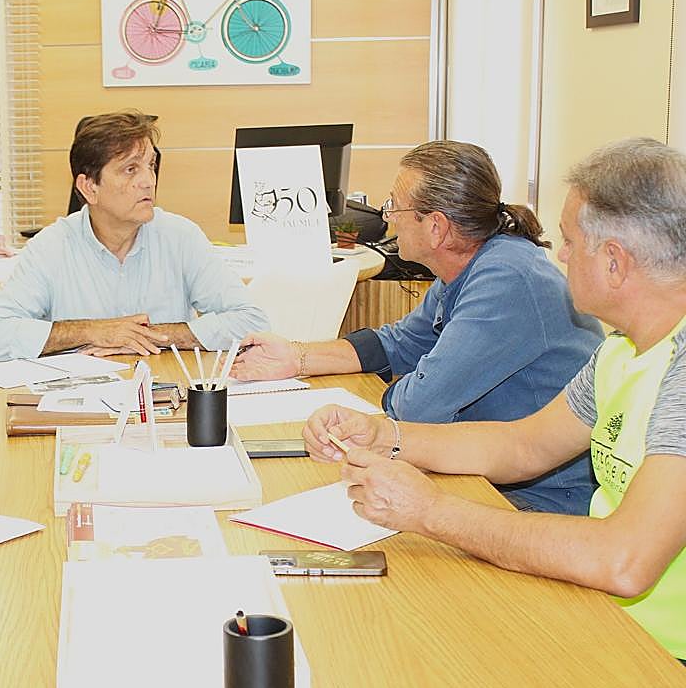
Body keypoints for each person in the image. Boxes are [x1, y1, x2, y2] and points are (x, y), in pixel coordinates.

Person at [303, 138, 686, 660]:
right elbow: (525, 446)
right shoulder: (622, 350)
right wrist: (385, 435)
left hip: (660, 656)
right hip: (612, 621)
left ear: (615, 263)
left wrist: (432, 511)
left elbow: (624, 559)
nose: (561, 254)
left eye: (571, 241)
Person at [232, 140, 602, 515]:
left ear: (436, 227)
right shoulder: (469, 264)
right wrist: (297, 357)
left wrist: (379, 416)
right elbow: (402, 343)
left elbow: (419, 406)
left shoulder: (508, 279)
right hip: (482, 474)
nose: (388, 216)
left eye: (395, 205)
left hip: (542, 499)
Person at [0, 110, 268, 360]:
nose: (148, 181)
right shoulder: (51, 246)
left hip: (165, 391)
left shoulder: (180, 236)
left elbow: (252, 321)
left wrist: (152, 335)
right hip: (80, 400)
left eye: (150, 166)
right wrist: (94, 331)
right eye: (130, 169)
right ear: (89, 188)